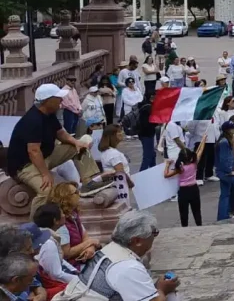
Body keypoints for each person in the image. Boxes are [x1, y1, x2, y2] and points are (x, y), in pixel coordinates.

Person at [6, 84, 108, 217]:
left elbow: (60, 133)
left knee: (78, 148)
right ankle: (36, 227)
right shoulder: (33, 120)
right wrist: (45, 174)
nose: (62, 100)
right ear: (47, 100)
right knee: (46, 190)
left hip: (46, 156)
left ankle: (88, 182)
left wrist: (77, 142)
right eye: (58, 98)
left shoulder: (49, 114)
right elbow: (33, 151)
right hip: (26, 166)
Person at [56, 211, 180, 300]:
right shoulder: (128, 267)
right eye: (154, 232)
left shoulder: (110, 249)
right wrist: (162, 289)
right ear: (137, 241)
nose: (154, 237)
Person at [164, 144, 205, 227]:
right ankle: (199, 227)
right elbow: (200, 151)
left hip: (183, 191)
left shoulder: (180, 168)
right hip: (194, 189)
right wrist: (204, 139)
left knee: (184, 214)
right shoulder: (194, 164)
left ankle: (184, 230)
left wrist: (167, 165)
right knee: (197, 212)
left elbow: (166, 175)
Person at [96, 125, 133, 207]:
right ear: (112, 136)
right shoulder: (114, 154)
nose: (122, 133)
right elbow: (120, 172)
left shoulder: (107, 152)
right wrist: (130, 183)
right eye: (119, 132)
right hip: (121, 187)